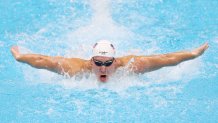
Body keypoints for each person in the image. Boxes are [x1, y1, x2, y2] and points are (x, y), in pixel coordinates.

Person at [11, 40, 209, 82]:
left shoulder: (131, 66)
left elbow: (165, 59)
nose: (102, 68)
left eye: (107, 63)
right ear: (91, 61)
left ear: (115, 62)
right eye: (98, 63)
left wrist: (192, 55)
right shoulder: (75, 69)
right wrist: (21, 58)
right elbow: (44, 60)